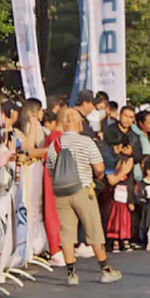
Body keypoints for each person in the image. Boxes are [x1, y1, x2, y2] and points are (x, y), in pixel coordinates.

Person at [45, 108, 122, 285]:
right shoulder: (86, 141)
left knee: (67, 232)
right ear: (79, 123)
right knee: (93, 228)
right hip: (83, 189)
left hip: (61, 193)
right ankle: (105, 270)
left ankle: (71, 273)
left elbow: (50, 171)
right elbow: (99, 168)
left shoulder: (54, 144)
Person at [103, 154, 136, 253]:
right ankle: (115, 243)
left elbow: (131, 191)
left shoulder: (129, 180)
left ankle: (126, 242)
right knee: (115, 223)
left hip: (124, 206)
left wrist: (131, 202)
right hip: (115, 205)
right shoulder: (113, 177)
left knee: (125, 223)